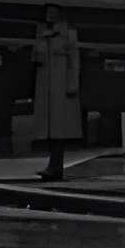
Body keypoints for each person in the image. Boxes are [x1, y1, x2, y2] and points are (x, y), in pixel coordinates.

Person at [35, 9, 86, 182]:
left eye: (52, 12)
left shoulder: (68, 34)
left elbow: (74, 61)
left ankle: (56, 166)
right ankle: (52, 165)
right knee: (49, 126)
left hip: (61, 84)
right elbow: (36, 56)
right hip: (46, 84)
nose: (49, 15)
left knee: (59, 126)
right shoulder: (41, 33)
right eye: (47, 12)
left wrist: (72, 84)